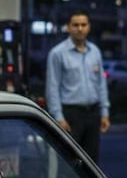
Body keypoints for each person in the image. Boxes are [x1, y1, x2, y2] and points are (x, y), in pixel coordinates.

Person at [45, 10, 110, 163]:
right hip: (71, 114)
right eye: (75, 25)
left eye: (83, 25)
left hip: (93, 113)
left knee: (91, 163)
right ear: (68, 27)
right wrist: (58, 117)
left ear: (89, 27)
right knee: (69, 162)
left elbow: (101, 84)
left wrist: (104, 112)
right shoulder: (58, 53)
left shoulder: (95, 52)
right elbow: (52, 87)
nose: (80, 29)